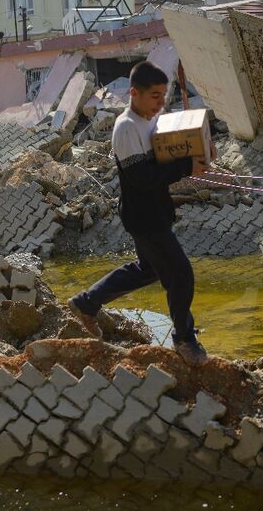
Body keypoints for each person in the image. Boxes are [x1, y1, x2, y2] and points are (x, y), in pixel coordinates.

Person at [68, 61, 215, 365]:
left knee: (147, 269)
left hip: (157, 211)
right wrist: (187, 168)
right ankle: (184, 338)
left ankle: (86, 303)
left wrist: (200, 153)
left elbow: (166, 159)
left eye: (164, 95)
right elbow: (143, 177)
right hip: (143, 216)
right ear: (134, 93)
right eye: (155, 96)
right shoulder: (126, 128)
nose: (161, 103)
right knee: (181, 274)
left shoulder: (150, 121)